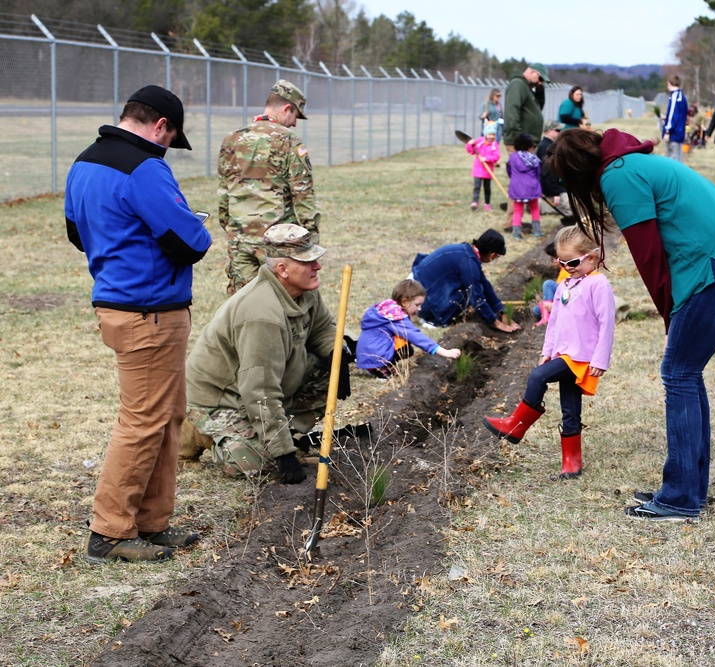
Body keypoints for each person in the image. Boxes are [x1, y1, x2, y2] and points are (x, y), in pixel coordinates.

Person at [548, 128, 715, 522]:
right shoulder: (629, 163)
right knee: (686, 370)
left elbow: (648, 256)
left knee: (678, 371)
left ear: (577, 171)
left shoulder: (618, 176)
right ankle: (690, 489)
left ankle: (680, 499)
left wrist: (669, 312)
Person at [65, 85, 213, 563]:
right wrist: (193, 222)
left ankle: (150, 522)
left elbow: (75, 231)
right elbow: (190, 242)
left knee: (167, 416)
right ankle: (109, 532)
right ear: (160, 127)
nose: (168, 146)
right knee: (144, 421)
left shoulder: (85, 161)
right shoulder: (146, 167)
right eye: (171, 138)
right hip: (149, 312)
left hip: (120, 304)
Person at [184, 224, 354, 481]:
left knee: (327, 374)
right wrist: (284, 455)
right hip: (221, 400)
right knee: (254, 462)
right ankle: (195, 430)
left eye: (315, 259)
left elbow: (323, 329)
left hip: (262, 388)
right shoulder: (262, 314)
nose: (317, 266)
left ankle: (273, 432)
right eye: (307, 262)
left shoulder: (304, 292)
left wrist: (336, 355)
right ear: (282, 270)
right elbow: (259, 391)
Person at [483, 226, 616, 479]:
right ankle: (571, 464)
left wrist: (600, 359)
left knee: (537, 377)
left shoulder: (598, 284)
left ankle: (515, 426)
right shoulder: (565, 283)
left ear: (593, 256)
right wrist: (548, 351)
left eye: (573, 261)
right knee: (570, 410)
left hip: (581, 357)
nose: (567, 266)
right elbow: (554, 322)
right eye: (561, 261)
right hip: (563, 354)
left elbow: (606, 324)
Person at [218, 79, 319, 295]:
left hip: (239, 239)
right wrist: (310, 243)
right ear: (286, 108)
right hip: (277, 242)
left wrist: (232, 228)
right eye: (295, 116)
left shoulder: (232, 139)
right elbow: (303, 195)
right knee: (283, 301)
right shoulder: (290, 141)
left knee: (242, 304)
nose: (294, 123)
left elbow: (224, 193)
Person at [411, 229, 521, 333]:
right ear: (492, 255)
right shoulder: (469, 263)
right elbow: (477, 299)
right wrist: (496, 323)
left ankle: (428, 315)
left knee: (477, 286)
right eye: (497, 256)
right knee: (469, 291)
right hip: (421, 302)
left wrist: (502, 312)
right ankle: (433, 321)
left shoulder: (466, 251)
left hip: (413, 291)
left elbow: (485, 284)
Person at [357, 279, 462, 378]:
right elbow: (417, 337)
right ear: (404, 302)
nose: (419, 309)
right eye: (417, 305)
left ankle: (377, 366)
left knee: (406, 348)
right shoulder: (395, 318)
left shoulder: (388, 311)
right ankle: (379, 369)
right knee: (406, 348)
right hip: (373, 358)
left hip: (366, 354)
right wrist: (444, 352)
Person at [503, 63, 549, 152]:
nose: (540, 82)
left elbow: (537, 109)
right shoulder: (518, 84)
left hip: (527, 142)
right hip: (520, 143)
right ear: (532, 72)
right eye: (540, 78)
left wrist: (540, 93)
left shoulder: (527, 88)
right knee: (520, 166)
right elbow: (512, 112)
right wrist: (519, 138)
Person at [507, 132, 544, 239]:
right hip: (532, 187)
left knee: (518, 210)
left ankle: (516, 233)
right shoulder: (534, 158)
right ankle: (537, 231)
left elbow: (509, 171)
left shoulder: (512, 157)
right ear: (530, 146)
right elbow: (538, 172)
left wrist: (513, 178)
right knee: (534, 208)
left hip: (517, 187)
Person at [536, 120, 570, 217]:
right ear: (549, 131)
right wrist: (556, 192)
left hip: (555, 187)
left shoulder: (549, 145)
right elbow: (547, 173)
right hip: (550, 190)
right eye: (558, 130)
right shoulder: (546, 147)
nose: (560, 133)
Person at [466, 121, 501, 212]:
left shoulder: (495, 145)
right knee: (476, 187)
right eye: (489, 134)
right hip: (478, 170)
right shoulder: (479, 142)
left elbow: (496, 156)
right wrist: (470, 144)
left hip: (488, 171)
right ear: (485, 134)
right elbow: (471, 151)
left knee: (487, 188)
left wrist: (486, 159)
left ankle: (487, 204)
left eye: (493, 134)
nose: (491, 137)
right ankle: (475, 202)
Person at [662, 75, 689, 161]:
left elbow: (673, 115)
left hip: (674, 133)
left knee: (672, 159)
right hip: (679, 131)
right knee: (677, 157)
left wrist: (667, 131)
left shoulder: (674, 96)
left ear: (669, 83)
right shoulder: (681, 96)